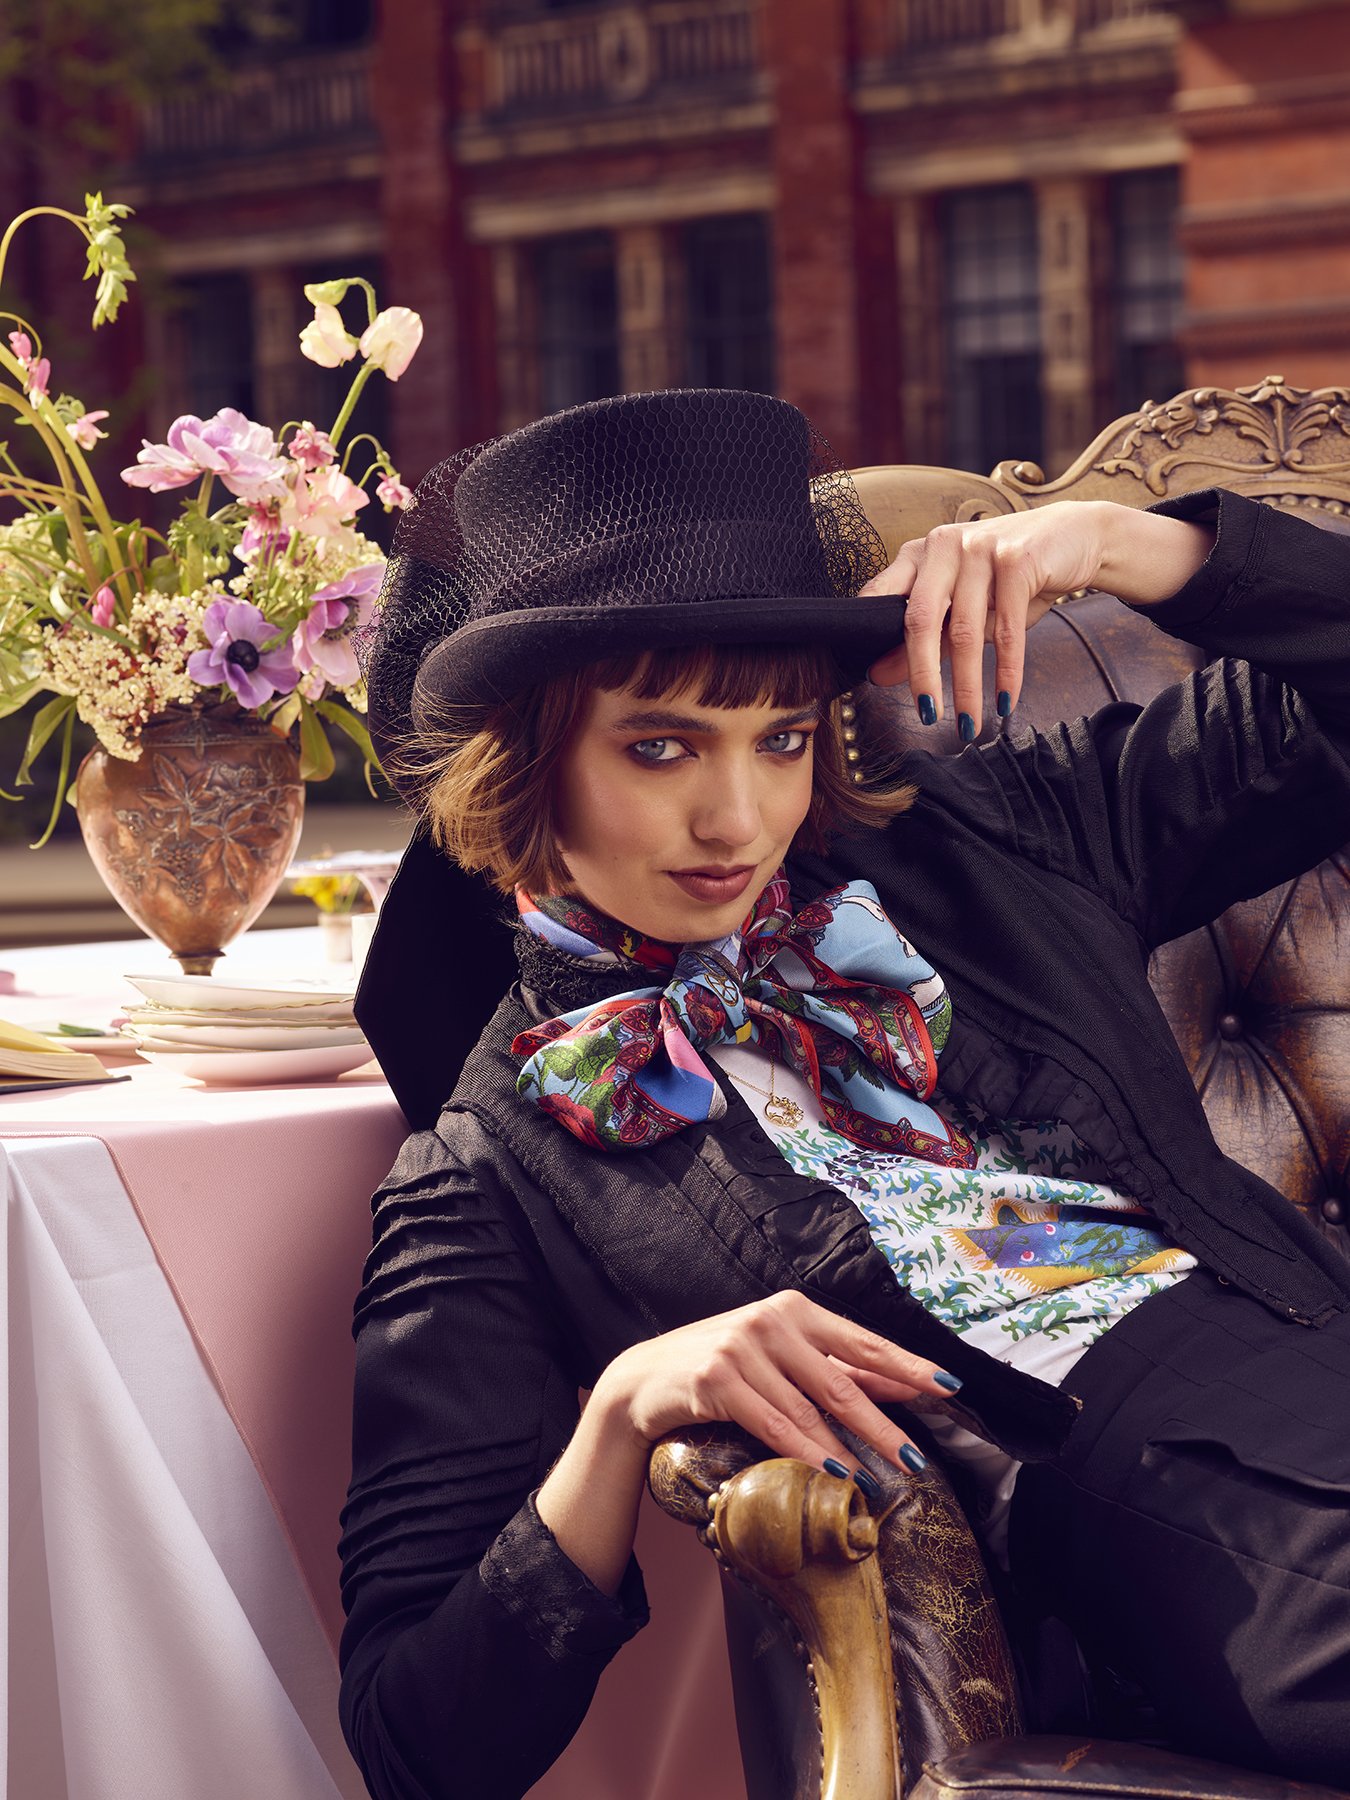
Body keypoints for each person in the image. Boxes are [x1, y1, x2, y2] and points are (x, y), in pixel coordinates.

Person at [339, 388, 1350, 1800]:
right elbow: (413, 1739)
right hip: (1194, 1552)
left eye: (779, 738)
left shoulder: (998, 850)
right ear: (527, 761)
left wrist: (1127, 545)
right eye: (658, 745)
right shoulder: (491, 1166)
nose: (734, 818)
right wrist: (619, 1414)